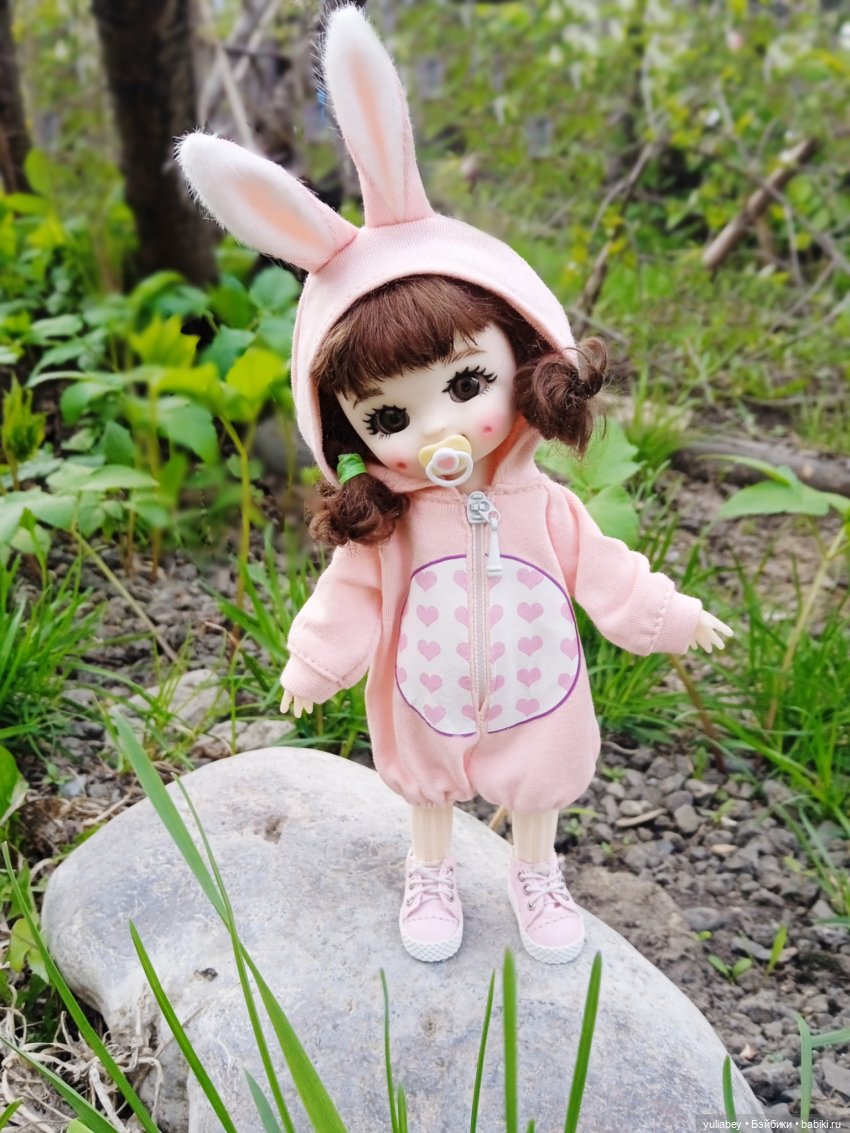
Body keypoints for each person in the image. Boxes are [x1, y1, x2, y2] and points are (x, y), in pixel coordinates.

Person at [178, 4, 731, 966]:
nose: (435, 430)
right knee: (424, 777)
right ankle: (429, 866)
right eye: (388, 418)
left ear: (523, 353)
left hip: (536, 686)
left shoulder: (544, 504)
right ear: (347, 431)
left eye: (467, 385)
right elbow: (349, 592)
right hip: (426, 693)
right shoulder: (390, 526)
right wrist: (314, 661)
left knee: (542, 772)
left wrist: (667, 615)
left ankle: (535, 868)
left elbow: (604, 570)